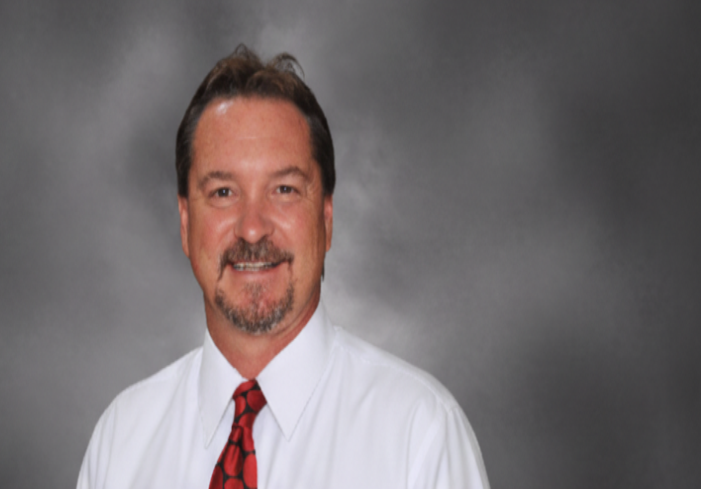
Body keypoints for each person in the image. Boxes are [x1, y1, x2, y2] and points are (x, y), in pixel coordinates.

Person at [77, 45, 490, 489]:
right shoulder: (121, 442)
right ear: (185, 222)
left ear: (326, 219)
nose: (253, 228)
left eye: (285, 190)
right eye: (223, 192)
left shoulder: (420, 436)